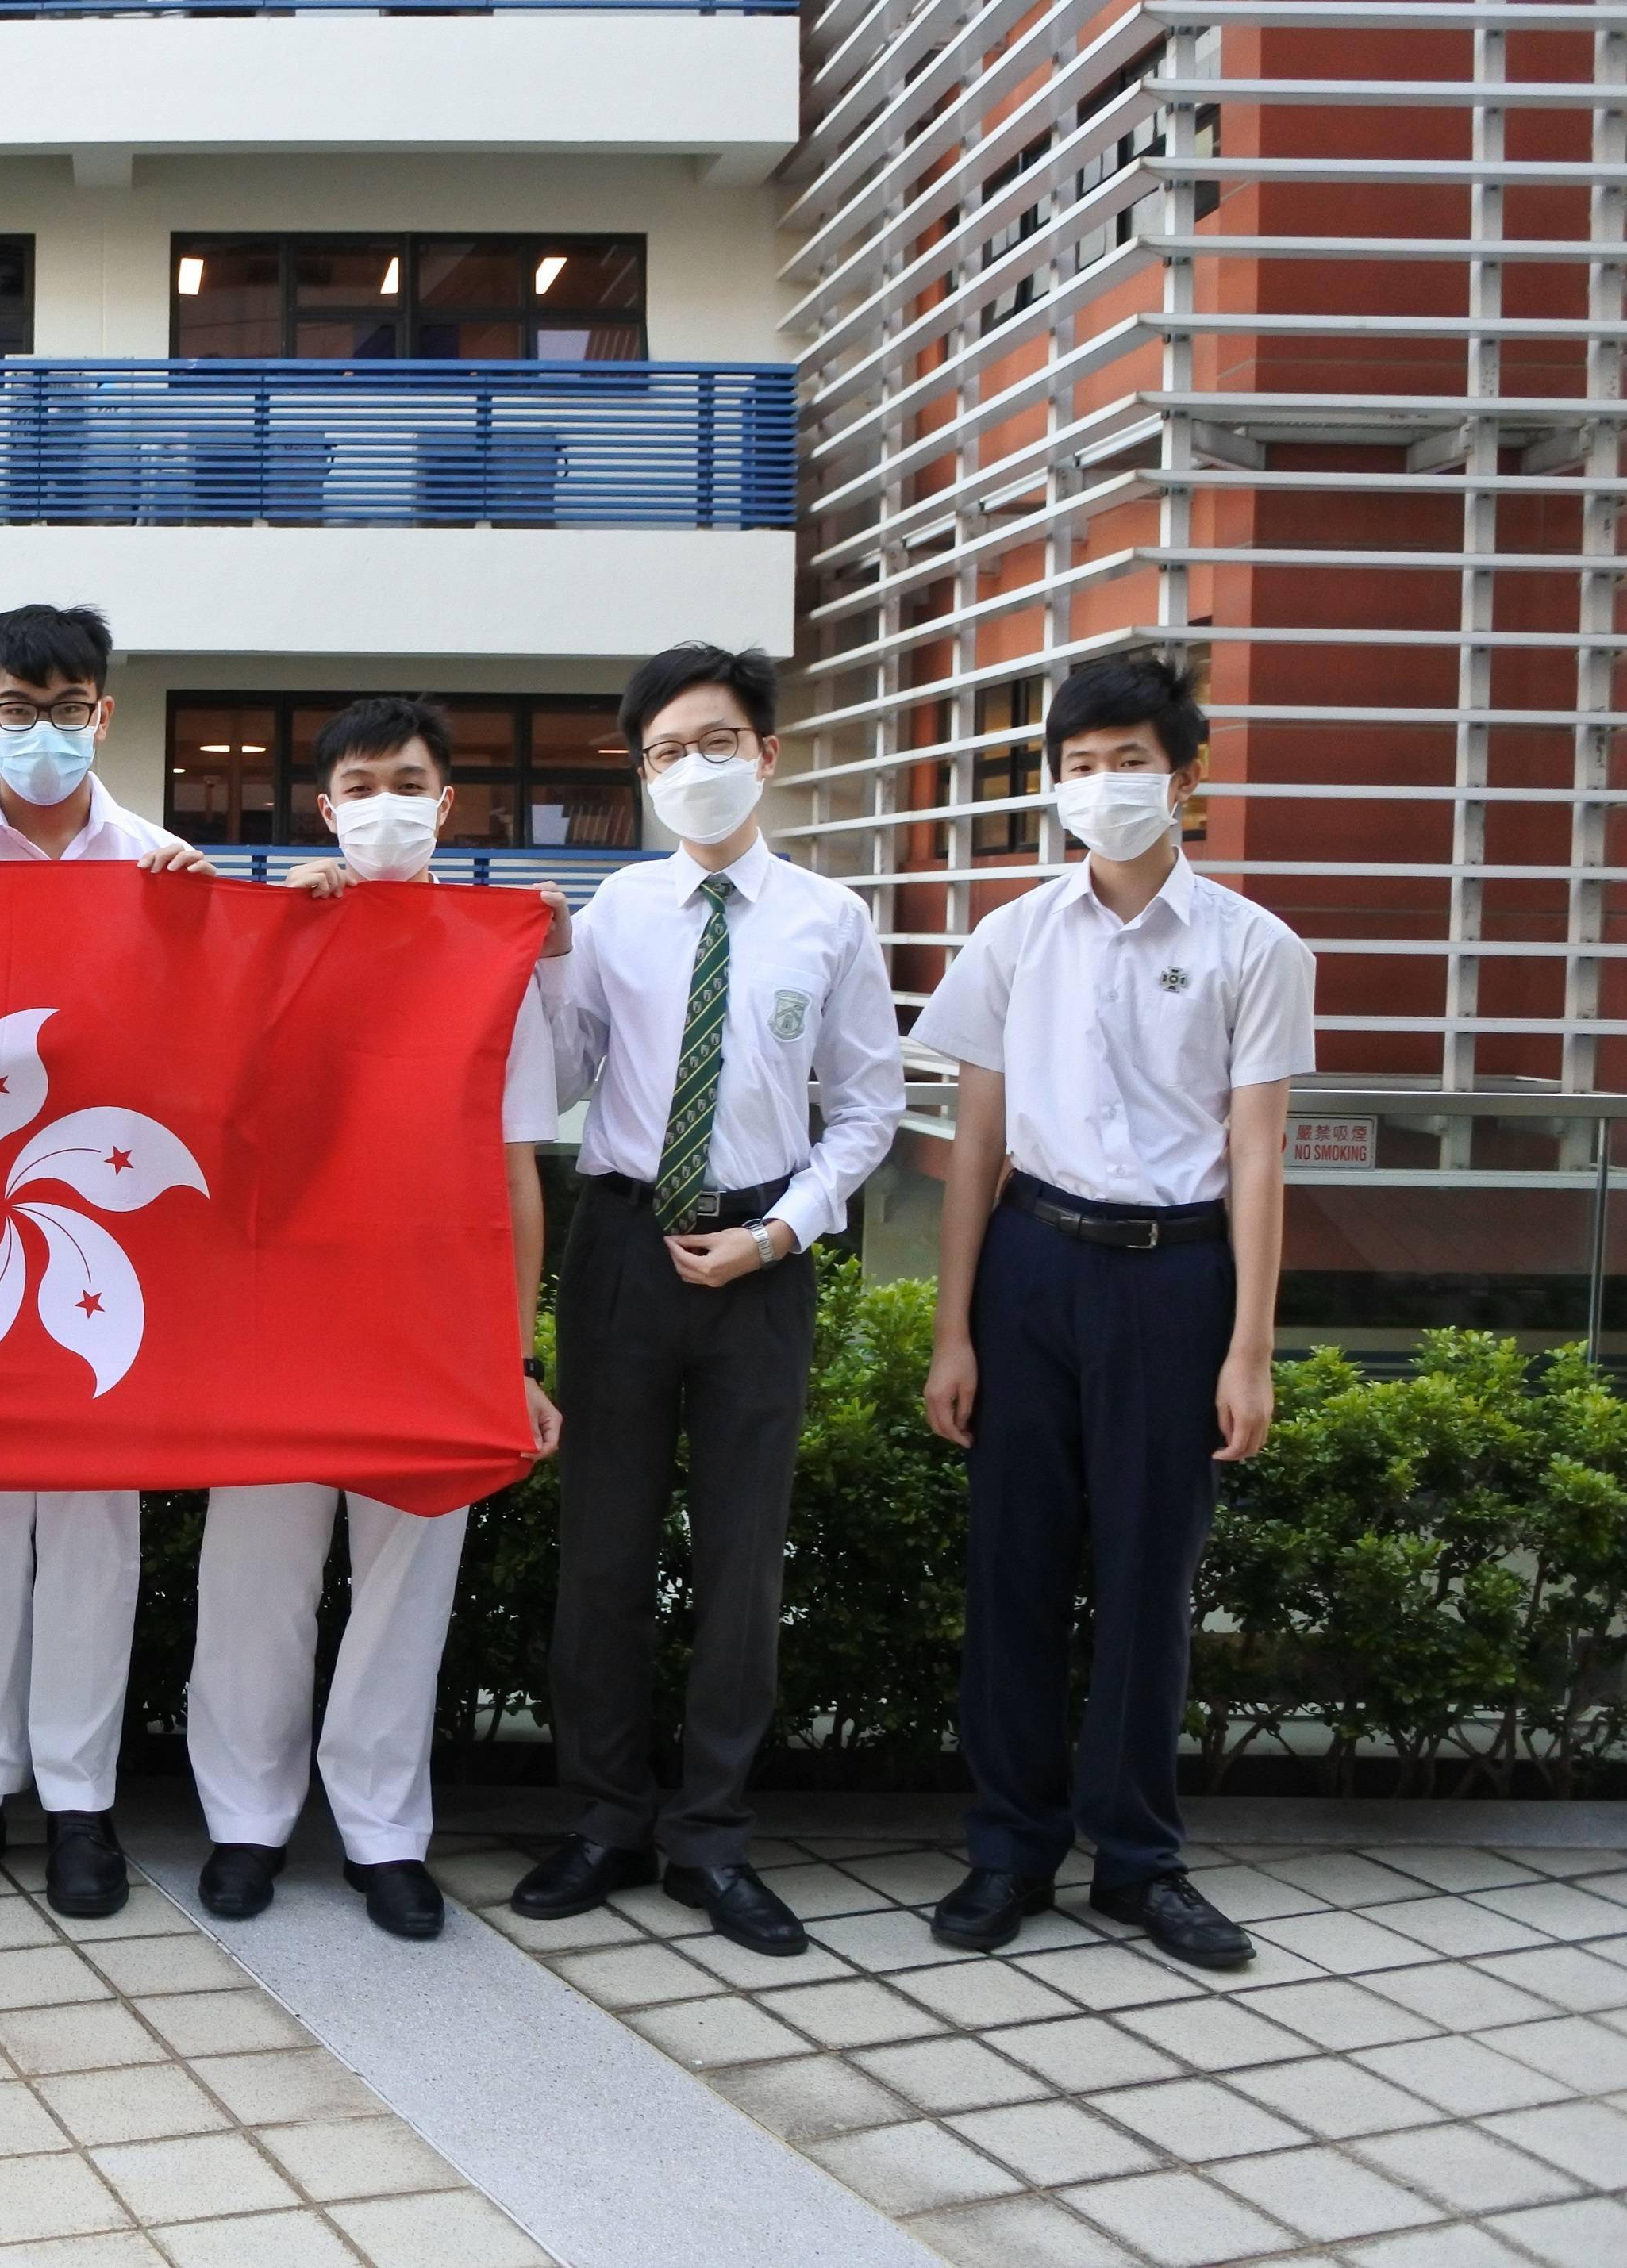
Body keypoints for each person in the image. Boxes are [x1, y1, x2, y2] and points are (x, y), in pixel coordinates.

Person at [917, 653, 1313, 1972]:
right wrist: (953, 1329)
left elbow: (1258, 1154)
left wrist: (1250, 1346)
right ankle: (1008, 1848)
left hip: (1175, 1276)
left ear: (1186, 778)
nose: (1102, 785)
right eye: (1077, 764)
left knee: (1150, 1574)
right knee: (1014, 1570)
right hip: (1034, 1260)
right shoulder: (1013, 935)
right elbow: (972, 1145)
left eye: (1127, 759)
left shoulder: (1256, 946)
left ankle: (1139, 1862)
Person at [512, 642, 900, 1958]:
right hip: (621, 1247)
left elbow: (867, 1110)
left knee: (741, 1560)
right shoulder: (611, 910)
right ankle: (608, 1816)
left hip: (760, 1258)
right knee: (604, 1555)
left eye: (715, 742)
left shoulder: (829, 921)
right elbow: (559, 1081)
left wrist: (783, 1230)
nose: (692, 768)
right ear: (639, 771)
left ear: (767, 753)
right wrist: (544, 965)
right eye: (666, 751)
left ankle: (714, 1836)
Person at [188, 697, 567, 1939]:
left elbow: (519, 1172)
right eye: (361, 783)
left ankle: (381, 1828)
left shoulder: (488, 957)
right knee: (256, 1578)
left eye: (408, 781)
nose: (385, 804)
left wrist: (512, 1354)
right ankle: (244, 1819)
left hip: (431, 1322)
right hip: (284, 1315)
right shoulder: (285, 934)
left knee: (407, 1587)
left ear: (447, 803)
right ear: (326, 806)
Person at [0, 602, 218, 1920]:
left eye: (68, 706)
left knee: (94, 1524)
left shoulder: (164, 866)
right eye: (17, 708)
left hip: (104, 1221)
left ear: (105, 715)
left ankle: (80, 1800)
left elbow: (213, 1044)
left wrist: (217, 933)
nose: (43, 730)